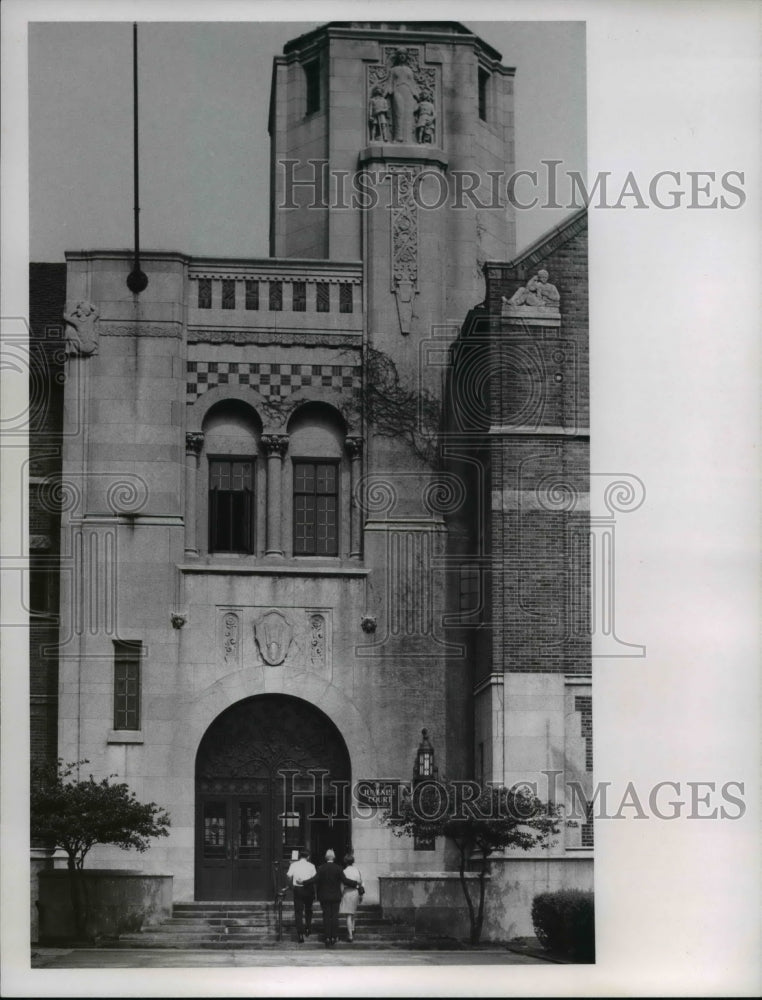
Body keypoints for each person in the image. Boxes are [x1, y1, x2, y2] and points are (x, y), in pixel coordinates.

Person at [307, 848, 358, 947]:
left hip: (324, 896)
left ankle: (327, 937)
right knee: (334, 917)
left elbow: (314, 879)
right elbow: (345, 880)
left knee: (326, 916)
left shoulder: (321, 868)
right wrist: (356, 883)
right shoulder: (338, 868)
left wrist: (304, 882)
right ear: (334, 857)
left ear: (326, 857)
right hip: (335, 896)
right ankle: (334, 937)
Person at [286, 847, 316, 943]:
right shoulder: (311, 866)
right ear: (308, 856)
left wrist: (291, 886)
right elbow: (314, 879)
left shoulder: (294, 865)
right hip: (308, 889)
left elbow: (288, 876)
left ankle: (300, 934)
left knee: (298, 912)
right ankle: (308, 928)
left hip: (298, 889)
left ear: (299, 856)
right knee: (308, 910)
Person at [339, 853, 363, 942]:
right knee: (353, 913)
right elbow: (360, 882)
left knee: (348, 915)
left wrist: (341, 894)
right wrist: (361, 895)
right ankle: (352, 929)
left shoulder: (344, 871)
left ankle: (350, 935)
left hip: (347, 892)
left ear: (345, 862)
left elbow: (342, 884)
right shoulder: (357, 870)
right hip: (355, 892)